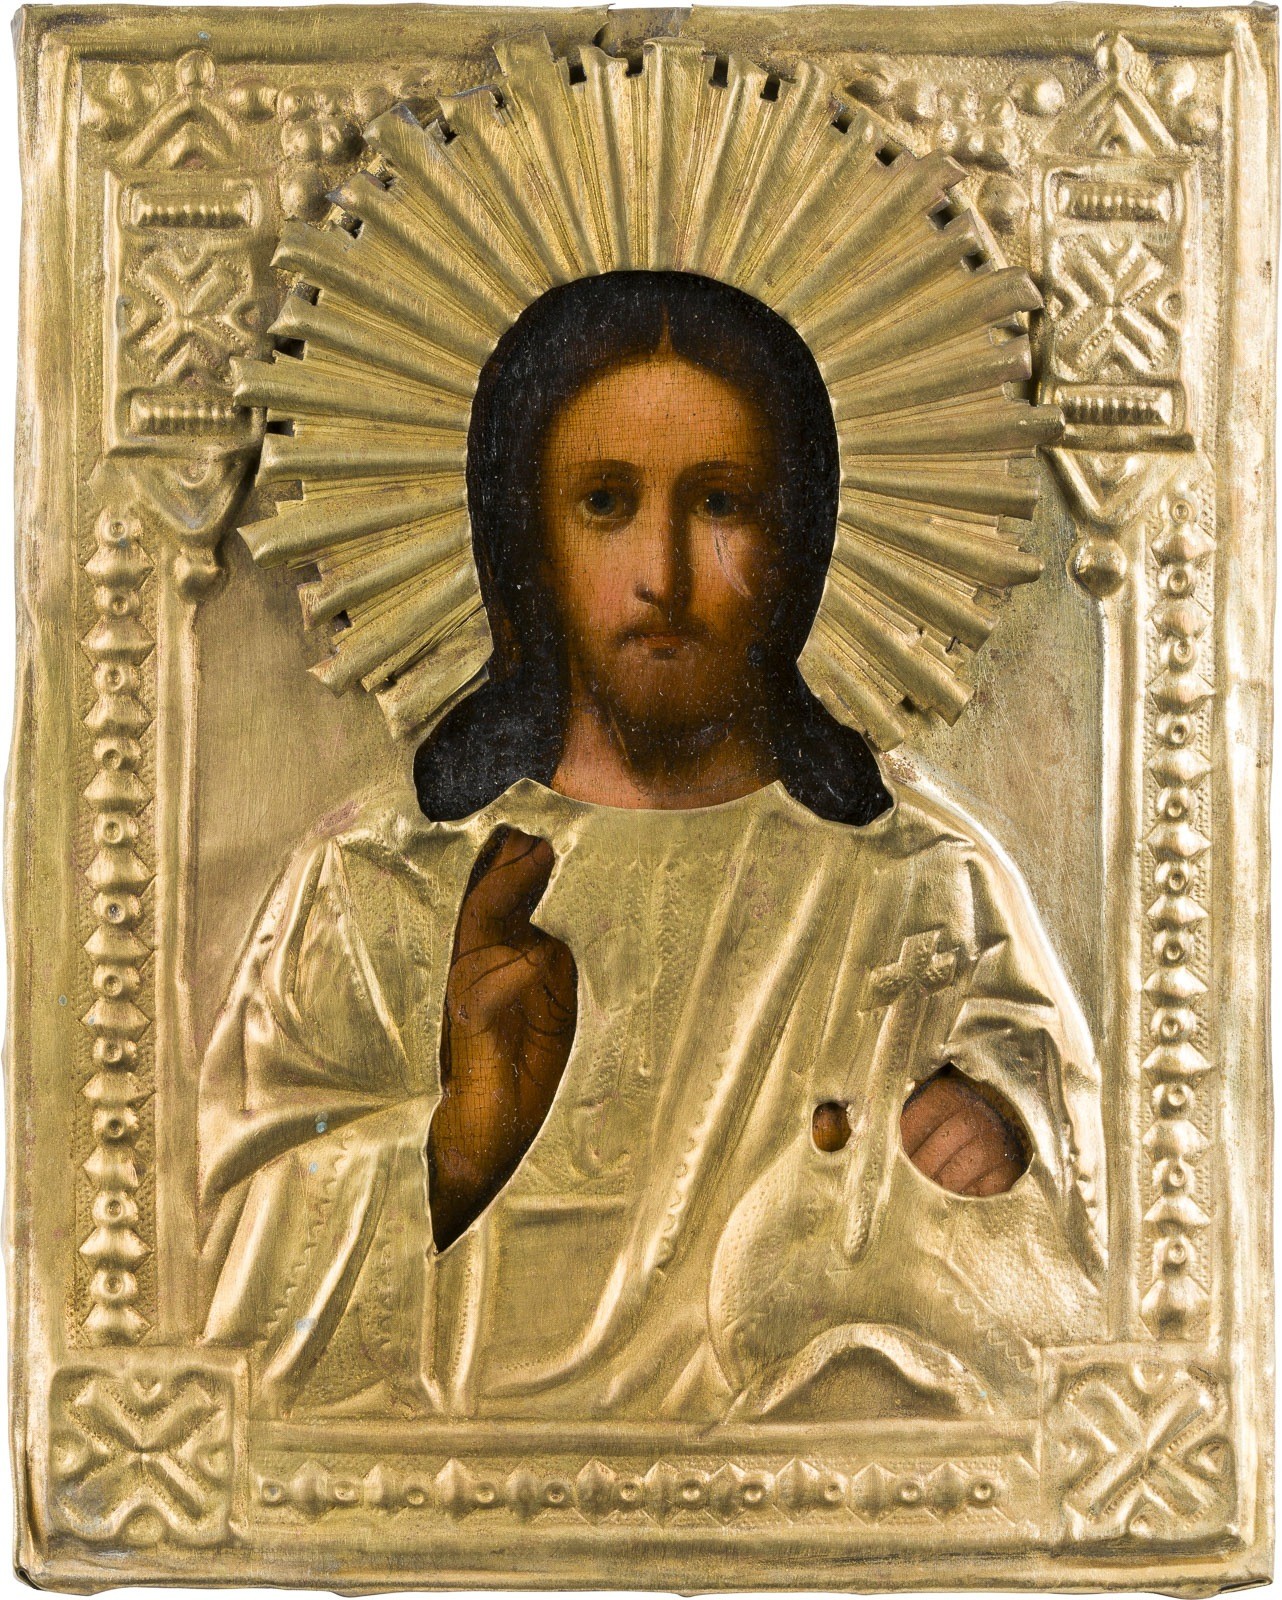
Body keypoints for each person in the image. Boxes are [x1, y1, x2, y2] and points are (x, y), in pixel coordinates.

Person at [198, 271, 1105, 1421]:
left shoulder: (923, 890)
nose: (663, 575)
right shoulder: (379, 885)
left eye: (720, 502)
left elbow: (1091, 1300)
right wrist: (454, 1147)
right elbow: (217, 1321)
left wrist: (989, 1144)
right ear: (527, 538)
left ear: (797, 537)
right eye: (605, 502)